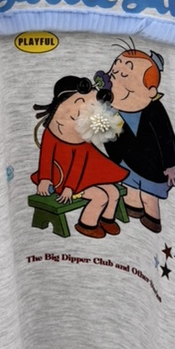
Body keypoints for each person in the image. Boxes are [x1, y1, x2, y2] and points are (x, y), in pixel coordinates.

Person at [97, 46, 175, 234]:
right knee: (131, 192)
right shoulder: (110, 109)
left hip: (154, 165)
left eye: (125, 75)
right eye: (115, 72)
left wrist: (170, 165)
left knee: (149, 197)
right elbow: (108, 136)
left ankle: (152, 219)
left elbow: (167, 139)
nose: (116, 77)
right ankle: (133, 211)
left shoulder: (154, 110)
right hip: (128, 162)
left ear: (150, 91)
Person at [31, 75, 129, 239]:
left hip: (83, 175)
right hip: (62, 178)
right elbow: (46, 157)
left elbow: (80, 164)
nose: (82, 110)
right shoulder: (51, 133)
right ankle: (87, 224)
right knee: (100, 196)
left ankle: (107, 220)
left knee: (113, 192)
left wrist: (71, 187)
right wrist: (45, 179)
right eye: (78, 103)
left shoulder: (82, 137)